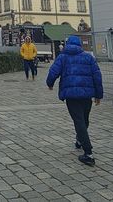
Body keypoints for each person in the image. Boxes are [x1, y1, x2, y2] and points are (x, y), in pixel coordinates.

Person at [46, 35, 103, 166]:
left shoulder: (63, 57)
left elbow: (53, 71)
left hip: (71, 95)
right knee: (84, 119)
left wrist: (50, 83)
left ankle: (88, 153)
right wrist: (98, 95)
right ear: (80, 45)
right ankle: (80, 140)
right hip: (86, 95)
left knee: (79, 122)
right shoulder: (89, 57)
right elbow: (97, 76)